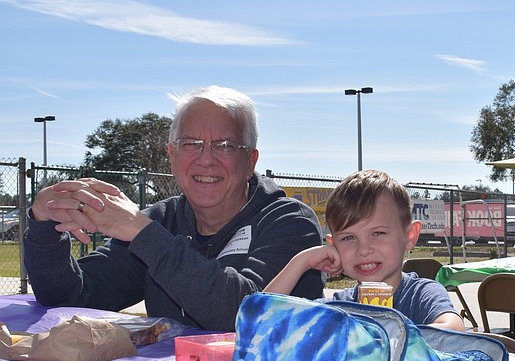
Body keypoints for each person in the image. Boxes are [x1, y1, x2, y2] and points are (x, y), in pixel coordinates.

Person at [23, 85, 324, 331]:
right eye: (192, 144)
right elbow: (72, 297)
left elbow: (245, 316)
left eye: (225, 146)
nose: (206, 159)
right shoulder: (162, 220)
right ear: (172, 155)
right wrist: (45, 222)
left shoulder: (290, 223)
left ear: (250, 162)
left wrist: (143, 234)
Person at [264, 169, 465, 331]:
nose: (363, 249)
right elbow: (260, 321)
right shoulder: (339, 306)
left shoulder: (421, 295)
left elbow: (454, 331)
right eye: (349, 238)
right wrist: (301, 261)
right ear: (333, 246)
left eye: (377, 233)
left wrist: (381, 341)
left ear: (410, 235)